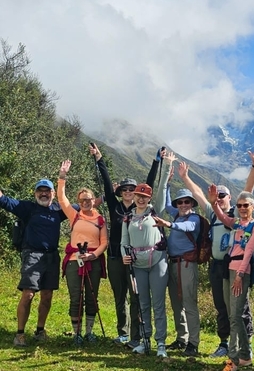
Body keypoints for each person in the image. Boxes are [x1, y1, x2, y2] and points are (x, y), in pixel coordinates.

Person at [176, 145, 254, 357]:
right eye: (218, 195)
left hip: (235, 264)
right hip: (217, 265)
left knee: (240, 305)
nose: (221, 198)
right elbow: (198, 194)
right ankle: (225, 343)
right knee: (221, 305)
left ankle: (245, 343)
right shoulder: (213, 213)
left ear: (230, 197)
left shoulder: (237, 213)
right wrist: (185, 177)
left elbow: (248, 189)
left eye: (223, 195)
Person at [89, 144, 161, 347]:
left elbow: (149, 183)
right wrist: (99, 158)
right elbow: (105, 181)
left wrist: (156, 162)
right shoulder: (115, 206)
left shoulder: (141, 208)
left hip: (135, 258)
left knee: (136, 296)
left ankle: (137, 336)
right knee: (120, 296)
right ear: (120, 192)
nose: (128, 192)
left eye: (132, 189)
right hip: (115, 256)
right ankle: (123, 332)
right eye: (125, 190)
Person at [0, 178, 68, 346]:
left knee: (47, 295)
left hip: (52, 257)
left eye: (47, 191)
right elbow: (4, 200)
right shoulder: (27, 208)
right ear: (35, 193)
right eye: (40, 191)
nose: (43, 194)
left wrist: (105, 197)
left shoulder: (59, 210)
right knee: (28, 294)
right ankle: (20, 334)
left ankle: (40, 331)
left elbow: (84, 204)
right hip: (32, 255)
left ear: (53, 193)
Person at [207, 187, 254, 371]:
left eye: (246, 205)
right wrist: (214, 203)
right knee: (233, 314)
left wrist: (240, 275)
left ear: (253, 206)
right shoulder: (237, 223)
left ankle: (233, 360)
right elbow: (223, 217)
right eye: (239, 206)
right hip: (228, 269)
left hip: (240, 271)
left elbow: (249, 251)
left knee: (235, 315)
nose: (242, 208)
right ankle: (245, 355)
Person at [153, 152, 202, 357]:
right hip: (173, 264)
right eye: (180, 202)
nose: (182, 205)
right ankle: (182, 338)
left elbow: (187, 228)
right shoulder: (176, 214)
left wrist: (168, 224)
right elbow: (166, 205)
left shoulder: (194, 219)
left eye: (186, 202)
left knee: (189, 303)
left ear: (192, 204)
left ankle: (193, 343)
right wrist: (167, 183)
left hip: (187, 265)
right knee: (176, 304)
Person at [57, 161, 108, 344]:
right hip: (74, 260)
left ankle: (89, 332)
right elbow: (61, 198)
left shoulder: (100, 219)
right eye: (82, 200)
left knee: (92, 297)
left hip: (93, 260)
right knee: (76, 297)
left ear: (94, 200)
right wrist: (62, 176)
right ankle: (76, 333)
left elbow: (104, 242)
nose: (86, 202)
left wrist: (94, 255)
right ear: (79, 203)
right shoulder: (74, 215)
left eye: (88, 199)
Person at [120, 178, 169, 357]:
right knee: (143, 304)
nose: (141, 199)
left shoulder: (156, 212)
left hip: (157, 261)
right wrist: (124, 255)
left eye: (145, 196)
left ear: (149, 198)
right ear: (134, 197)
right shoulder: (128, 218)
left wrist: (167, 168)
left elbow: (162, 189)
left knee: (158, 304)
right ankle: (145, 339)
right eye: (138, 196)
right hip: (137, 264)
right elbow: (124, 242)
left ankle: (161, 343)